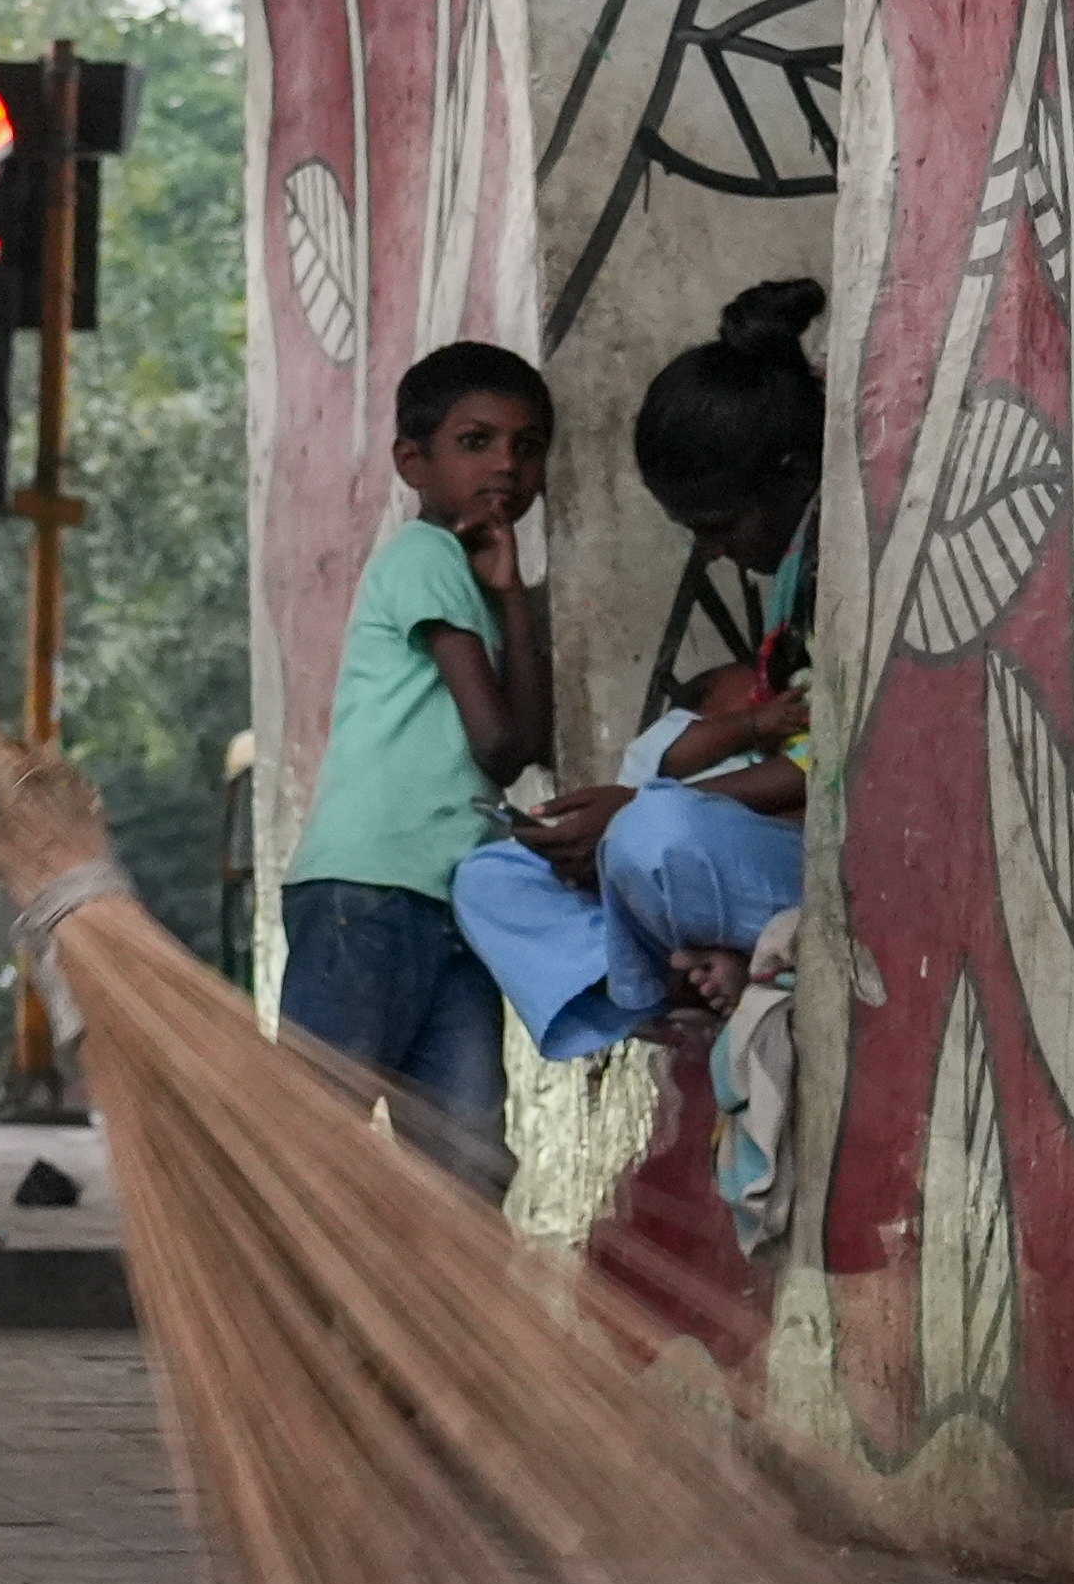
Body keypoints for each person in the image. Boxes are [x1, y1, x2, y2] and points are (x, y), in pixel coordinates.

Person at [454, 280, 827, 1067]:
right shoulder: (792, 591)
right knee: (490, 878)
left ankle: (675, 966)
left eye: (721, 527)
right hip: (731, 853)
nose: (717, 553)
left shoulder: (841, 572)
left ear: (794, 471)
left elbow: (825, 767)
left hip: (828, 868)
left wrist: (634, 808)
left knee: (653, 834)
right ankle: (663, 981)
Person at [276, 340, 558, 1186]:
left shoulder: (468, 578)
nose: (506, 465)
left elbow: (526, 744)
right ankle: (282, 1316)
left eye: (528, 445)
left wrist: (510, 593)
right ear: (413, 460)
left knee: (461, 1164)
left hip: (446, 900)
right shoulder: (425, 557)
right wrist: (503, 599)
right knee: (316, 1143)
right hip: (369, 892)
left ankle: (411, 1320)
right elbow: (502, 744)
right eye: (476, 442)